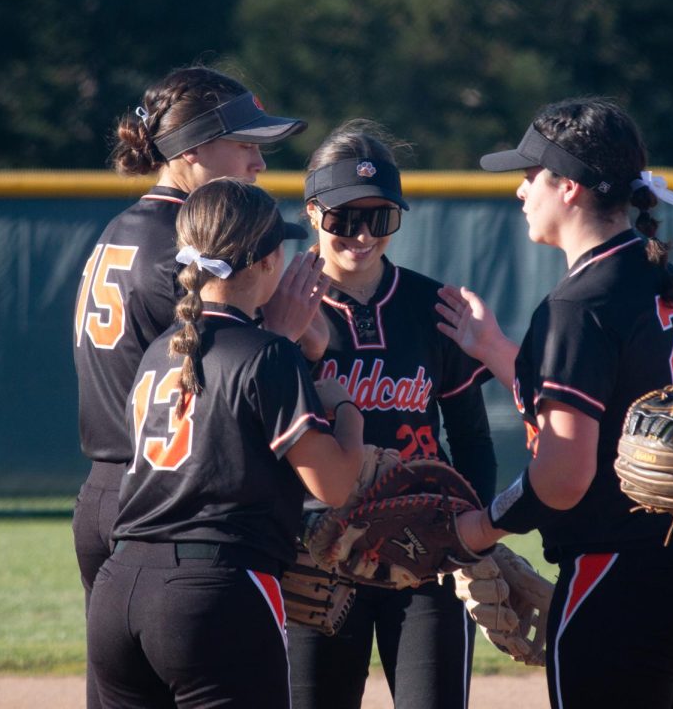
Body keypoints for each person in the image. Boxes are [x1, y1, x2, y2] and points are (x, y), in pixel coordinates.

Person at [440, 98, 673, 708]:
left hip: (625, 566)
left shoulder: (578, 305)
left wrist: (480, 526)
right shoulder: (656, 273)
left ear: (571, 187)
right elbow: (607, 412)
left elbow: (563, 477)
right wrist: (501, 353)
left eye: (532, 176)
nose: (522, 191)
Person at [71, 66, 325, 708]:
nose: (259, 162)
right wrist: (284, 337)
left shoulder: (126, 230)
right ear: (189, 152)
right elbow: (224, 385)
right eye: (244, 143)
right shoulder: (185, 253)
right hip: (171, 509)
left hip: (117, 497)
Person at [86, 179, 366, 708]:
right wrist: (346, 409)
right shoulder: (267, 357)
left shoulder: (159, 350)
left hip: (118, 590)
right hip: (212, 595)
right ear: (265, 264)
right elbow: (333, 485)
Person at [287, 120, 497, 709]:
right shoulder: (278, 308)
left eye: (379, 219)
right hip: (319, 553)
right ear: (311, 212)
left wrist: (470, 538)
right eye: (344, 218)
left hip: (424, 550)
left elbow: (473, 440)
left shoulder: (433, 307)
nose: (361, 235)